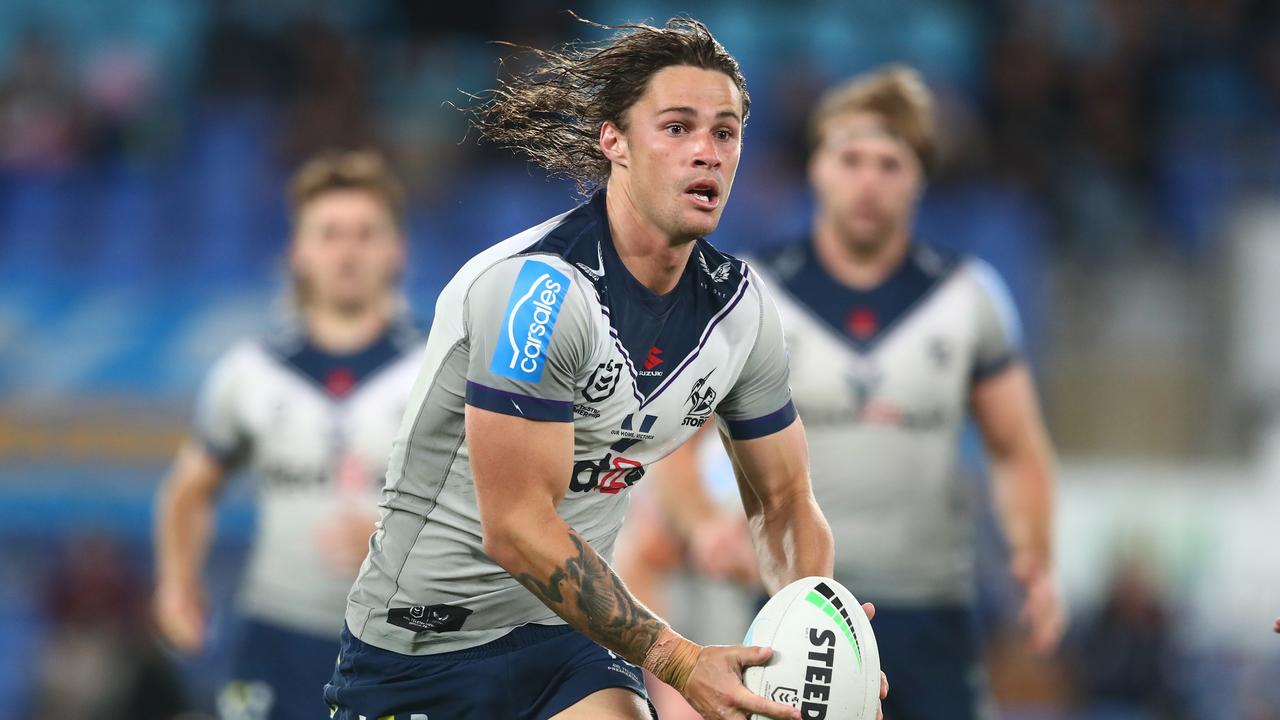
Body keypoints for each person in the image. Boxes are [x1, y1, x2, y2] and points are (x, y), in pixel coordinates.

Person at [324, 17, 885, 720]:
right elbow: (518, 527)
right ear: (613, 141)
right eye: (677, 127)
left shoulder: (741, 312)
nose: (706, 152)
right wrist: (680, 660)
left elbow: (784, 502)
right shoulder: (537, 292)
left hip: (565, 641)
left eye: (725, 132)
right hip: (417, 655)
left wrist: (817, 637)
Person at [736, 65, 1061, 719]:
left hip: (932, 609)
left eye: (891, 163)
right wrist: (703, 523)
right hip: (794, 608)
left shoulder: (970, 297)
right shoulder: (753, 294)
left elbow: (1017, 448)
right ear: (817, 167)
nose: (868, 181)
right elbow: (685, 446)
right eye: (850, 158)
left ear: (920, 176)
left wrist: (1034, 556)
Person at [153, 151, 423, 720]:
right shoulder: (248, 374)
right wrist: (178, 585)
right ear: (298, 253)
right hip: (277, 634)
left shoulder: (439, 373)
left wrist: (394, 544)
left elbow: (494, 506)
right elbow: (189, 489)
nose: (347, 251)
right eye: (328, 234)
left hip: (404, 636)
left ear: (396, 251)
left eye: (365, 233)